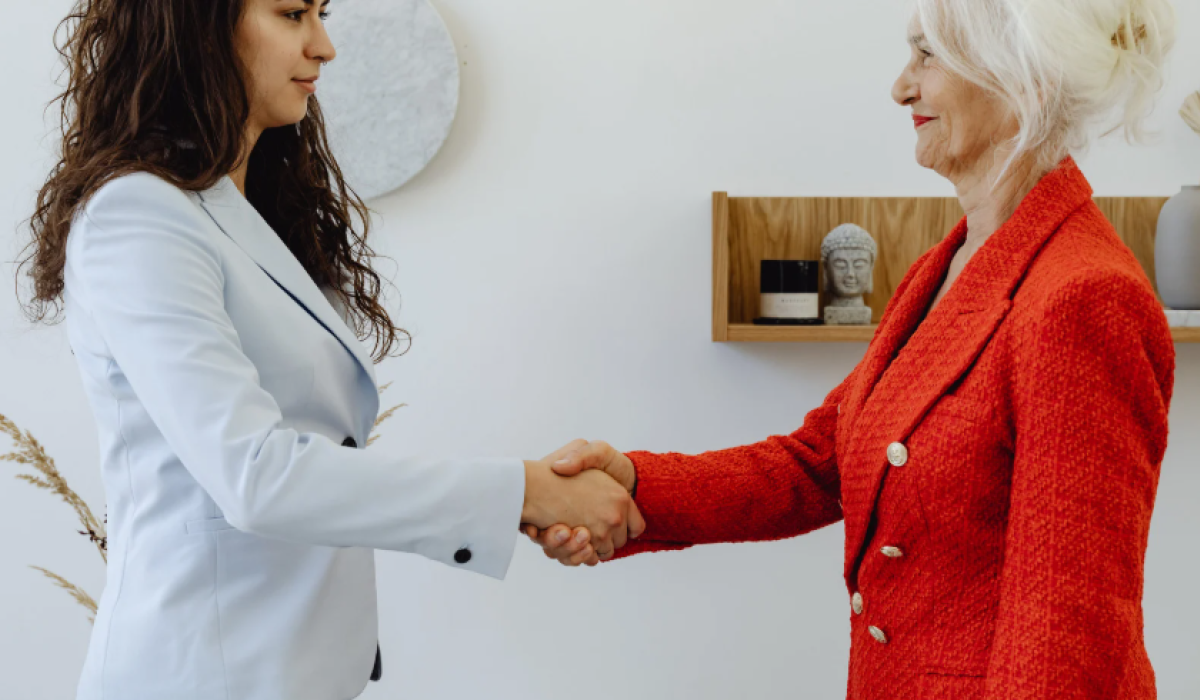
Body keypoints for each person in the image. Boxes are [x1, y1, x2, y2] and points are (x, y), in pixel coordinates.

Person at [528, 1, 1178, 697]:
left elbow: (1067, 635)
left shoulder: (1084, 295)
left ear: (1027, 78)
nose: (901, 87)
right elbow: (819, 463)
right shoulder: (948, 265)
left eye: (928, 55)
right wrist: (633, 484)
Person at [16, 1, 636, 698]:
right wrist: (524, 491)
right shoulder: (138, 215)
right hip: (203, 677)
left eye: (320, 12)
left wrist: (527, 501)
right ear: (198, 23)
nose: (325, 45)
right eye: (292, 14)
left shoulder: (240, 211)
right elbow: (257, 475)